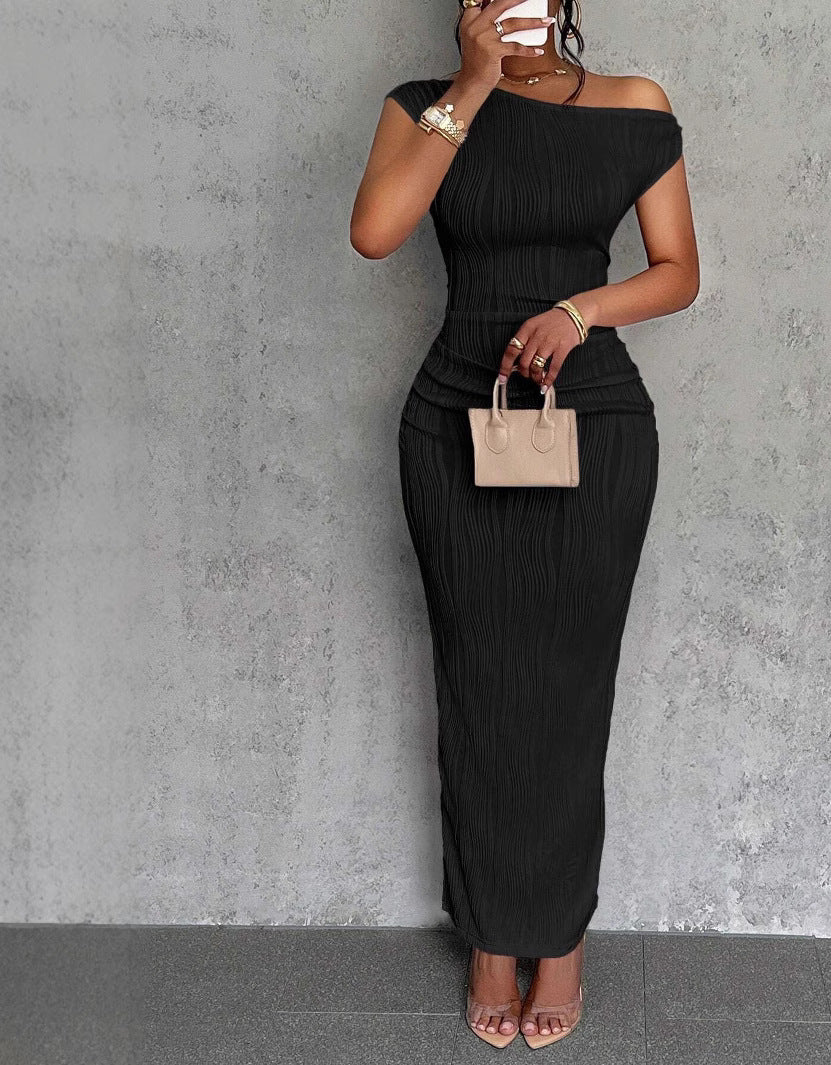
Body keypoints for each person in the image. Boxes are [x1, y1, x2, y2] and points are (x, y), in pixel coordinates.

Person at [350, 0, 698, 1049]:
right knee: (476, 683)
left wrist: (579, 310)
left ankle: (562, 937)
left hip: (595, 426)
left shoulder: (635, 104)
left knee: (570, 691)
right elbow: (375, 234)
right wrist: (472, 84)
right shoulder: (423, 105)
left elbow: (678, 271)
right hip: (454, 425)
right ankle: (493, 940)